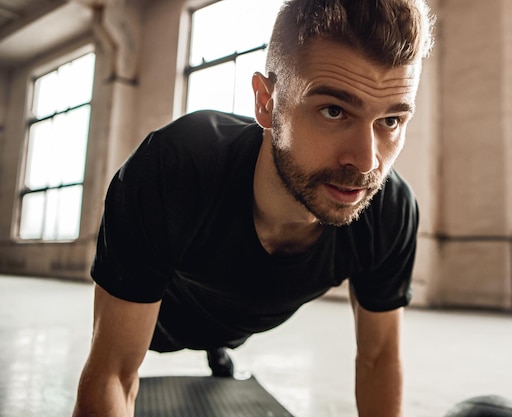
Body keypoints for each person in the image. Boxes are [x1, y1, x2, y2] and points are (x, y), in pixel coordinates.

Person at [72, 0, 434, 416]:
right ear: (266, 101)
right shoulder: (174, 167)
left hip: (243, 321)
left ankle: (219, 348)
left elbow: (379, 359)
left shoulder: (388, 209)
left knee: (224, 337)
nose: (367, 162)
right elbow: (112, 374)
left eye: (390, 121)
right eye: (334, 111)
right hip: (165, 320)